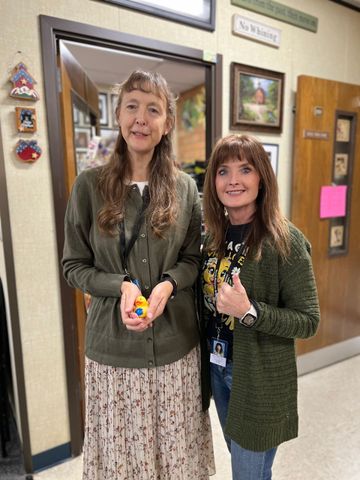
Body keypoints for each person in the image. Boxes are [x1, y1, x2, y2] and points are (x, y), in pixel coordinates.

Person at [62, 70, 215, 479]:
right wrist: (120, 286)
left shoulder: (185, 189)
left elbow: (192, 259)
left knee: (175, 458)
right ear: (118, 114)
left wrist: (168, 284)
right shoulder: (89, 186)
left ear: (166, 123)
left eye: (153, 109)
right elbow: (73, 266)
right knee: (123, 463)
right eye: (132, 106)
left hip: (175, 350)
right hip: (113, 356)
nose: (141, 119)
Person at [201, 134, 320, 480]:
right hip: (217, 366)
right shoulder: (213, 237)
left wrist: (250, 311)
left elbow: (308, 321)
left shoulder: (285, 241)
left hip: (258, 376)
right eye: (223, 171)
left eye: (245, 169)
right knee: (250, 468)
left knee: (247, 473)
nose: (233, 180)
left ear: (262, 178)